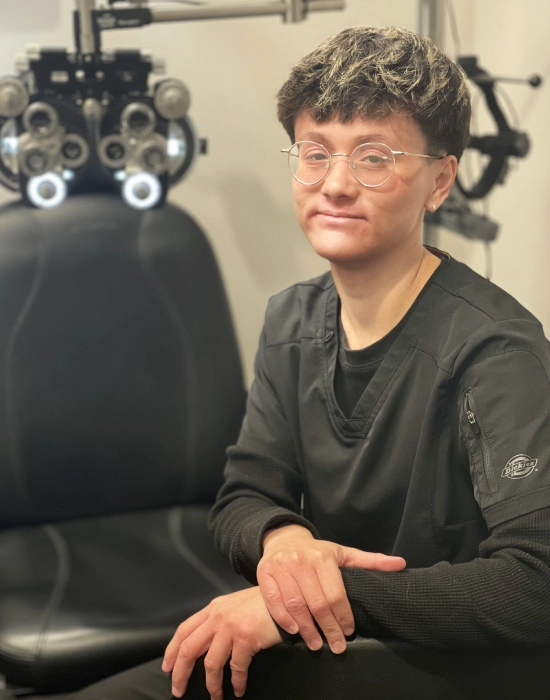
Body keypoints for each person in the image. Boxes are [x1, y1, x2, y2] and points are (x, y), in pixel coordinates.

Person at [71, 24, 550, 700]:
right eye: (314, 152)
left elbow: (537, 582)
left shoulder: (494, 347)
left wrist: (288, 603)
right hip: (334, 645)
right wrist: (283, 541)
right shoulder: (291, 320)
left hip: (443, 666)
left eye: (374, 157)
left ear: (440, 180)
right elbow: (245, 493)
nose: (335, 184)